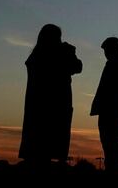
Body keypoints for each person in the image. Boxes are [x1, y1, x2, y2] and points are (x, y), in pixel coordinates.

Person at [19, 24, 83, 164]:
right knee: (56, 131)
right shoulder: (59, 52)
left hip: (39, 103)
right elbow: (77, 67)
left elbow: (77, 67)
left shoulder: (36, 55)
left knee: (43, 135)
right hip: (56, 101)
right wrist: (69, 52)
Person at [90, 37, 118, 171]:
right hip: (108, 107)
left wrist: (116, 102)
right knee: (108, 140)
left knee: (112, 139)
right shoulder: (113, 63)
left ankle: (113, 169)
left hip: (114, 108)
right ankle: (112, 168)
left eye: (106, 49)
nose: (105, 53)